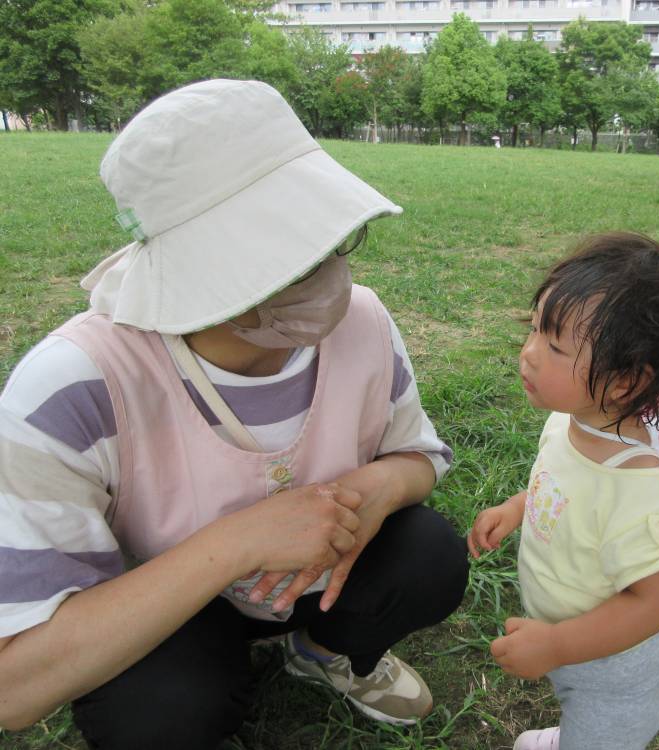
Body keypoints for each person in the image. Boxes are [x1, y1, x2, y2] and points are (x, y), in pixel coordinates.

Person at [0, 79, 469, 748]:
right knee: (158, 714)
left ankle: (321, 649)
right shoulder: (74, 385)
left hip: (322, 576)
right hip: (163, 612)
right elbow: (14, 687)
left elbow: (416, 456)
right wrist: (237, 545)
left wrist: (379, 487)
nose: (331, 267)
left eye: (335, 239)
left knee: (428, 556)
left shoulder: (363, 322)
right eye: (293, 249)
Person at [467, 232, 659, 750]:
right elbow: (566, 487)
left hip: (613, 669)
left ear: (622, 382)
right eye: (532, 330)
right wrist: (516, 508)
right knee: (578, 718)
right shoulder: (571, 420)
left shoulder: (638, 490)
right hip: (570, 652)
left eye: (554, 346)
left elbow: (658, 601)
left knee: (600, 736)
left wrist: (556, 644)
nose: (527, 354)